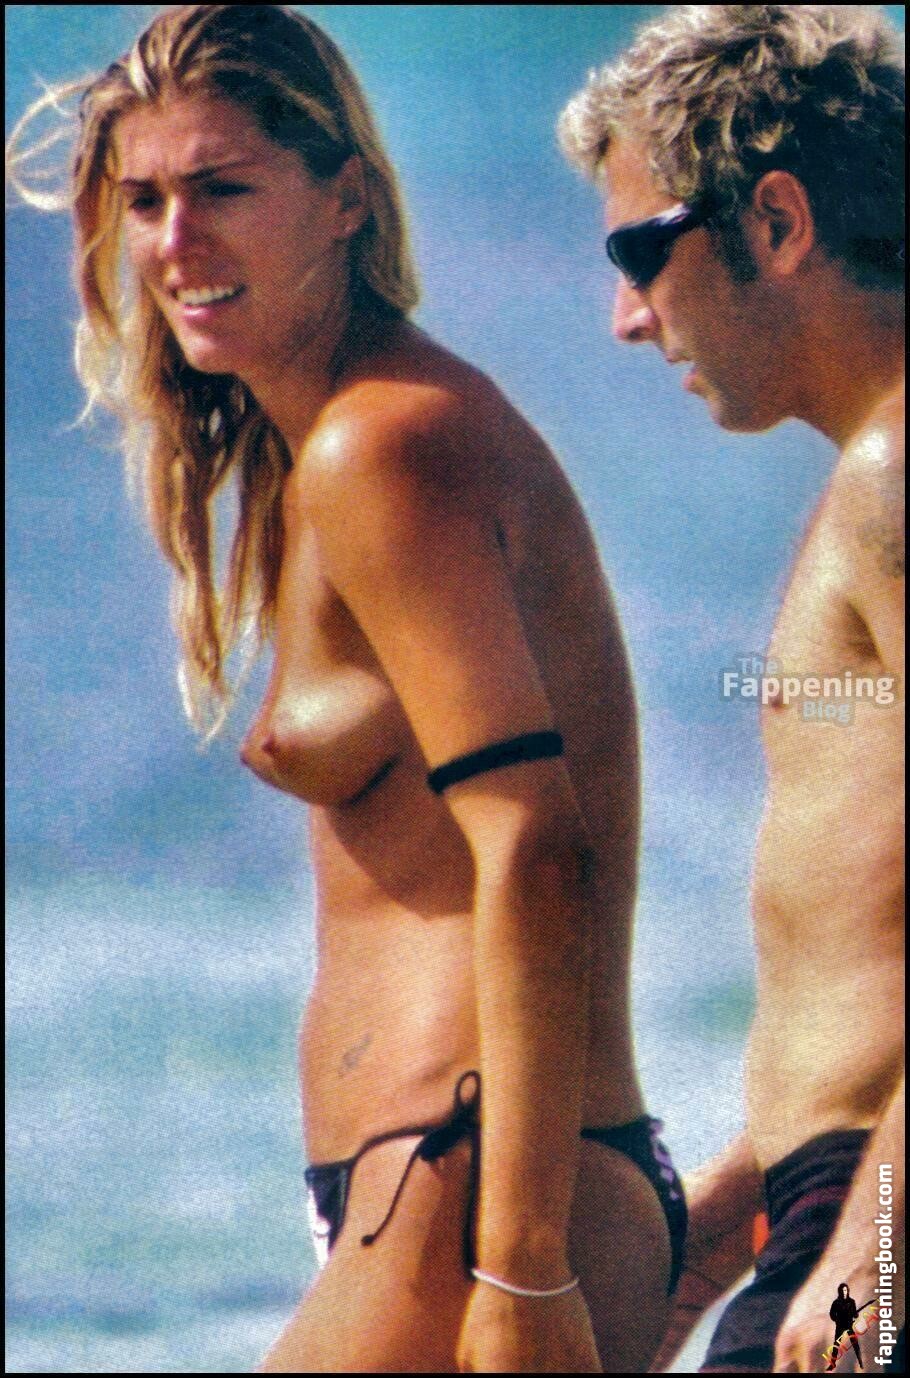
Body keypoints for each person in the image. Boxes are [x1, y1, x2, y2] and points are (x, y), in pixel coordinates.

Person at [7, 5, 687, 1371]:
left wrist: (522, 1266)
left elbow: (534, 845)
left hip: (476, 1194)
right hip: (445, 1190)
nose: (174, 242)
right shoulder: (327, 449)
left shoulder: (383, 445)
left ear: (346, 199)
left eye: (222, 189)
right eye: (144, 201)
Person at [559, 4, 904, 1373]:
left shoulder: (893, 477)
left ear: (776, 221)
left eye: (640, 252)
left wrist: (867, 1252)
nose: (626, 317)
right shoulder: (867, 479)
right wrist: (731, 1209)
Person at [828, 1283, 863, 1371]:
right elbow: (832, 1314)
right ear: (840, 1291)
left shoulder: (851, 1302)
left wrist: (856, 1314)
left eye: (846, 1290)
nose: (845, 1292)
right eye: (843, 1290)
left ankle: (860, 1361)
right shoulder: (836, 1303)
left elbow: (855, 1315)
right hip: (840, 1326)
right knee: (836, 1345)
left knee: (855, 1343)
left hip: (849, 1325)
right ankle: (832, 1364)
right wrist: (837, 1320)